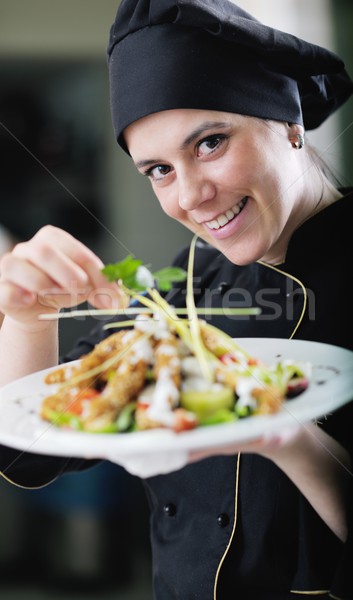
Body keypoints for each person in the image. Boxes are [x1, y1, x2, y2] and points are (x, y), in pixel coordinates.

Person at [0, 1, 352, 598]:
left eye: (211, 143)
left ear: (290, 123)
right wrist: (28, 320)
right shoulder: (176, 293)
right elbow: (28, 453)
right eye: (158, 169)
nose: (190, 196)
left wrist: (290, 437)